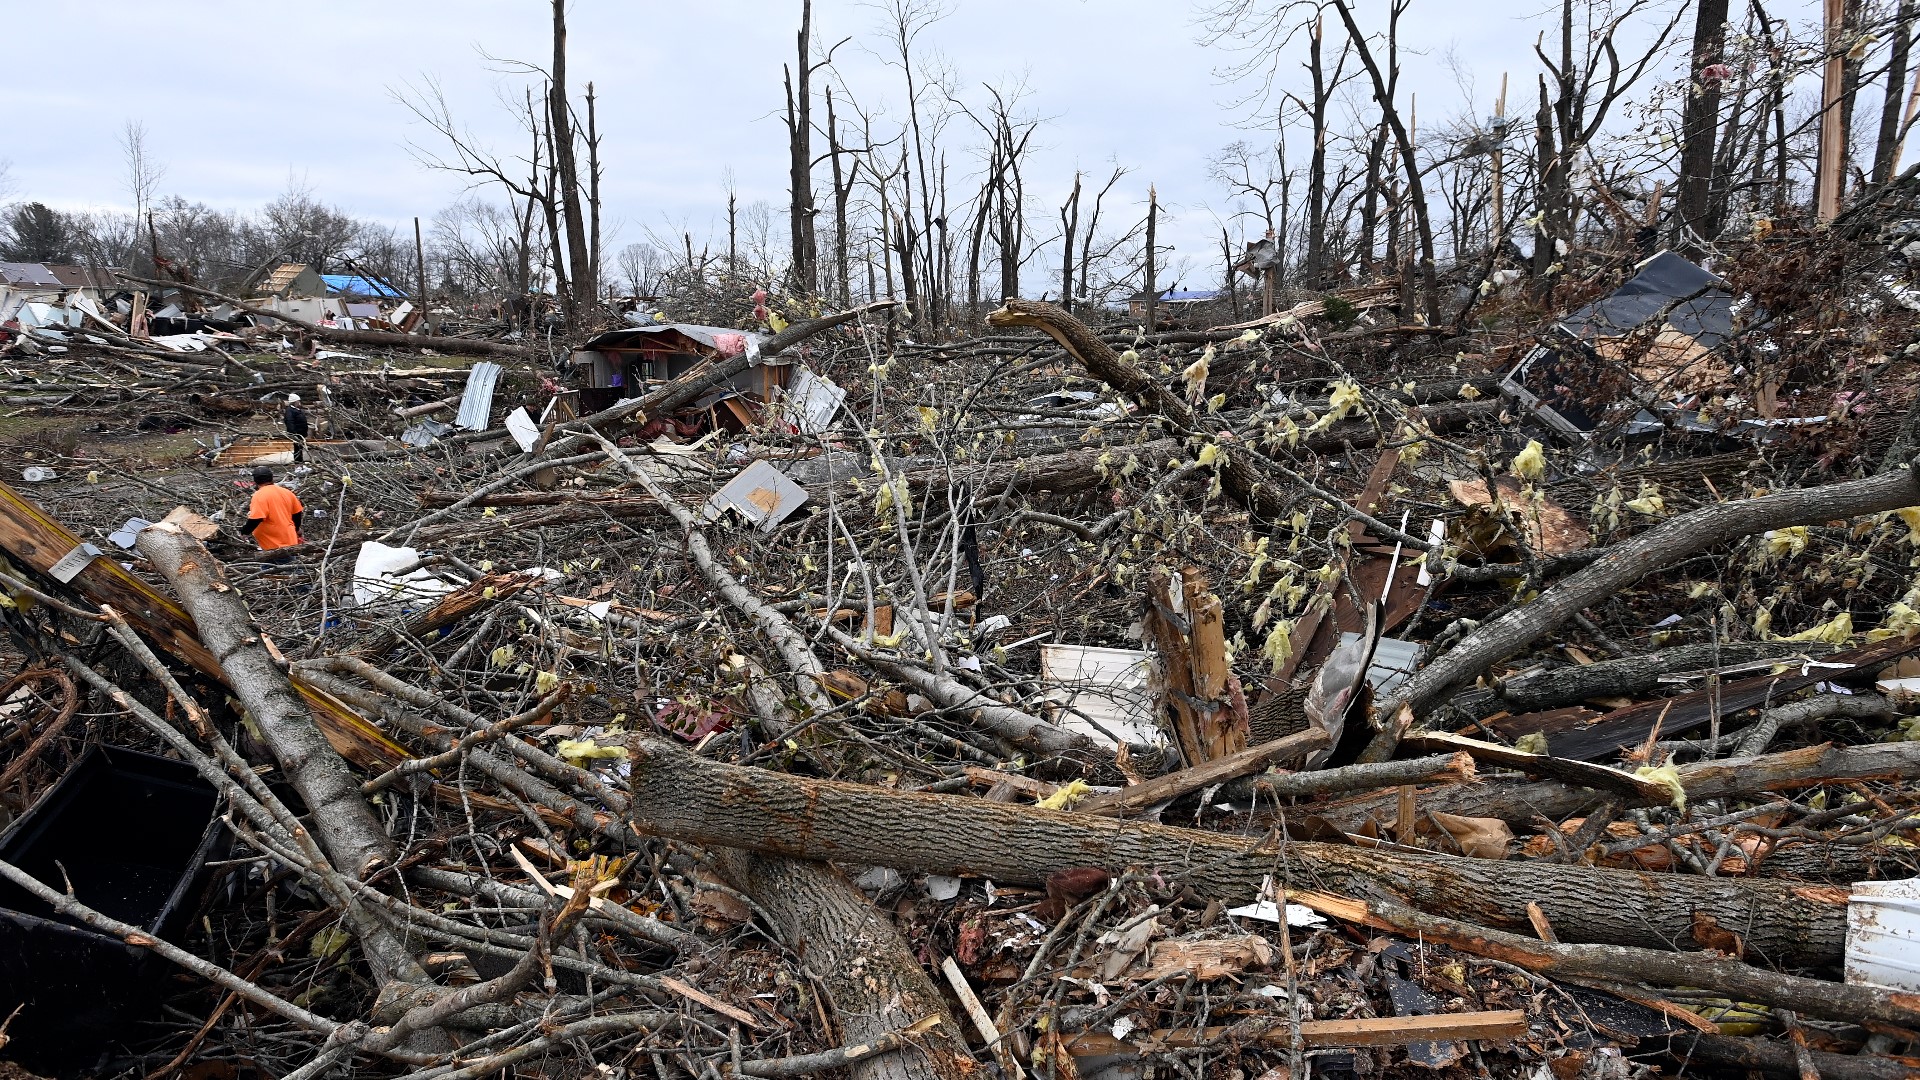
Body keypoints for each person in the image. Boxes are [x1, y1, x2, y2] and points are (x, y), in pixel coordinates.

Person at [244, 467, 304, 551]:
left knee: (283, 561)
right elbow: (297, 513)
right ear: (272, 478)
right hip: (288, 539)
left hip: (274, 544)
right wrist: (296, 529)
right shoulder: (286, 492)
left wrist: (244, 532)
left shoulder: (259, 495)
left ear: (255, 480)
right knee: (272, 563)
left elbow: (256, 518)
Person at [283, 393, 309, 464]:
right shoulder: (290, 411)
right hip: (296, 433)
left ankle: (301, 464)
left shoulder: (297, 409)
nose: (299, 402)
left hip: (301, 433)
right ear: (294, 402)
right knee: (297, 449)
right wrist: (294, 433)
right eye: (298, 401)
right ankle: (298, 465)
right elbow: (289, 422)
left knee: (300, 449)